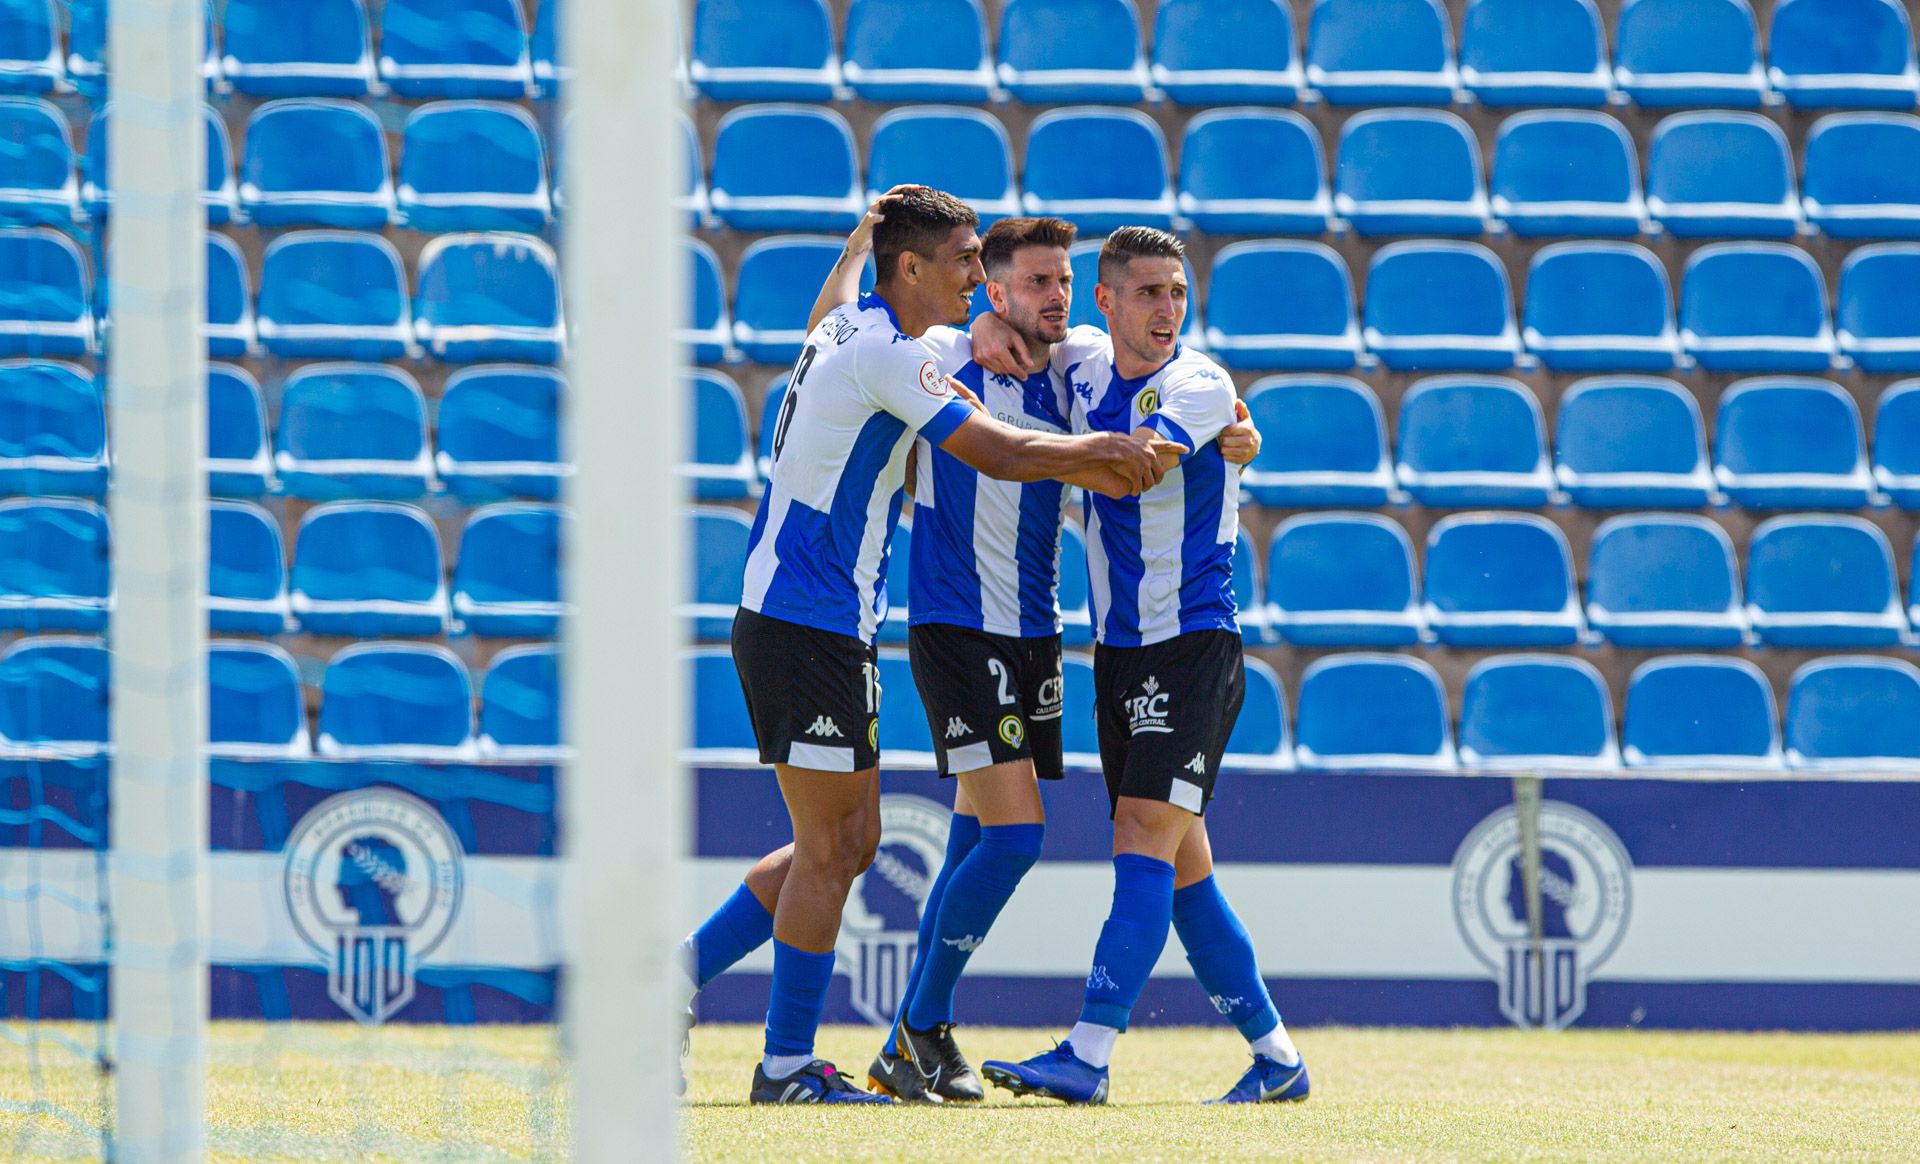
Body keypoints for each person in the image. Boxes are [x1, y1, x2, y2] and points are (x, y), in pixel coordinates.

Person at [682, 188, 1187, 1105]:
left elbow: (833, 294)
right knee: (836, 847)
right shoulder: (890, 354)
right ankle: (787, 1066)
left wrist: (859, 232)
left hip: (822, 618)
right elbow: (993, 451)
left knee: (842, 841)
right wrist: (1097, 453)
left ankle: (670, 988)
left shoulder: (848, 328)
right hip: (807, 618)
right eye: (962, 261)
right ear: (911, 270)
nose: (974, 278)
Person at [797, 201, 1264, 1103]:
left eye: (1061, 281)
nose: (1054, 300)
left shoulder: (1079, 362)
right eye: (1033, 283)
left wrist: (1235, 431)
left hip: (1037, 631)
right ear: (992, 286)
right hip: (958, 625)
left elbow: (1190, 396)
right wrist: (961, 321)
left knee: (983, 833)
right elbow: (832, 344)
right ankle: (918, 1027)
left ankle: (916, 1041)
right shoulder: (937, 355)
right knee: (1015, 837)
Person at [974, 227, 1310, 1106]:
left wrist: (1230, 435)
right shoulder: (1081, 360)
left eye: (1177, 292)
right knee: (1185, 873)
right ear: (1106, 300)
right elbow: (1007, 331)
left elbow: (1129, 474)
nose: (1169, 310)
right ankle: (1278, 1061)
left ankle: (1088, 1052)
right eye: (1150, 293)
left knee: (1139, 841)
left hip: (1191, 645)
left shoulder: (1198, 385)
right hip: (1119, 657)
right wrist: (981, 332)